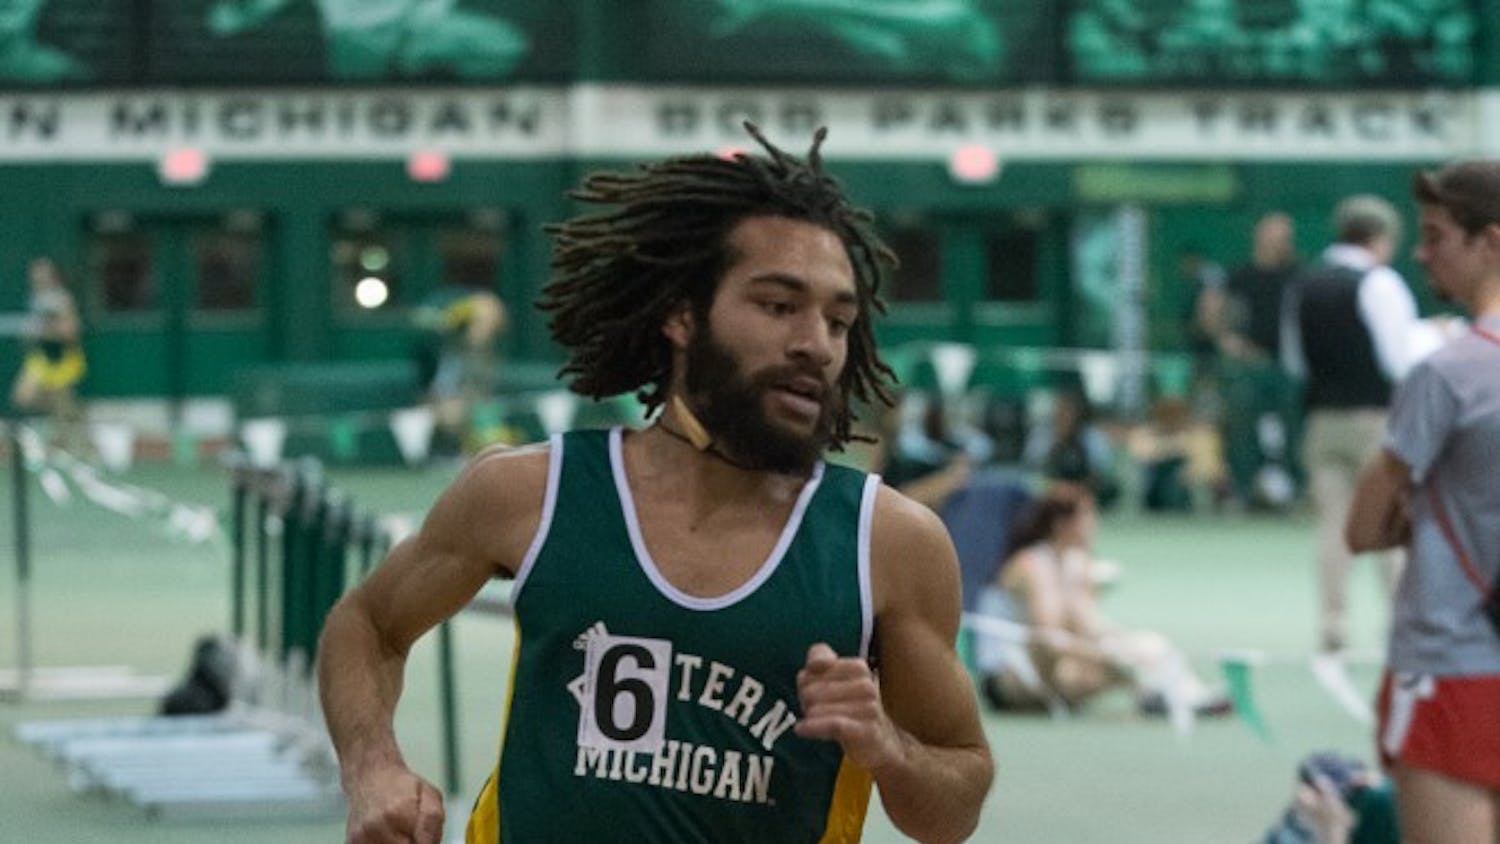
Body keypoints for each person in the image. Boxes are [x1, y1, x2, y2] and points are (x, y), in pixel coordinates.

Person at [317, 125, 994, 844]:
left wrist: (889, 748)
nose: (816, 345)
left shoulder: (887, 543)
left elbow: (955, 806)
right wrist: (372, 769)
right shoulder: (532, 494)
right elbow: (367, 626)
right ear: (681, 314)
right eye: (777, 305)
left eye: (839, 320)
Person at [1347, 160, 1500, 844]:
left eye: (1436, 235)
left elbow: (1362, 528)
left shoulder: (1448, 373)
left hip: (1454, 667)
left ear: (1490, 242)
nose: (1420, 252)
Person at [1282, 194, 1418, 658]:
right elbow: (1397, 360)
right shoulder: (1380, 284)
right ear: (1380, 240)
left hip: (1322, 418)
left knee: (1333, 525)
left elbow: (1295, 360)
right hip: (1375, 420)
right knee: (1390, 525)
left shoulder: (1302, 285)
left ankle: (1333, 624)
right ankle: (1400, 623)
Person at [974, 483, 1228, 726]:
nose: (1094, 524)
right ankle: (1162, 693)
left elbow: (1089, 624)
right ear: (1062, 524)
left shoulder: (1076, 561)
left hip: (1051, 661)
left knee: (1150, 646)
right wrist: (1111, 656)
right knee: (1118, 662)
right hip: (1012, 674)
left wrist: (1132, 649)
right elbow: (1047, 639)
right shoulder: (1032, 564)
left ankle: (1181, 694)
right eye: (1087, 517)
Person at [1218, 212, 1304, 510]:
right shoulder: (1241, 275)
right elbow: (1221, 314)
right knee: (1242, 431)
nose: (1279, 242)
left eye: (1284, 236)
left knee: (1295, 430)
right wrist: (1228, 339)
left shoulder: (1298, 275)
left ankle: (1299, 493)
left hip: (1289, 366)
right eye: (1272, 235)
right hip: (1249, 365)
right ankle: (1244, 493)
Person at [412, 284, 506, 456]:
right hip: (454, 413)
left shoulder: (487, 355)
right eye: (479, 322)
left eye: (489, 323)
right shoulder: (453, 352)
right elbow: (441, 390)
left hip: (482, 420)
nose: (486, 328)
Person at [9, 257, 87, 448]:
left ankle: (73, 440)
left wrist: (47, 331)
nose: (36, 279)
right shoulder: (35, 298)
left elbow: (71, 331)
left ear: (52, 277)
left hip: (61, 358)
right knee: (22, 397)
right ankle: (56, 427)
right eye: (34, 275)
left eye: (41, 275)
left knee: (64, 408)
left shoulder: (62, 299)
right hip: (41, 358)